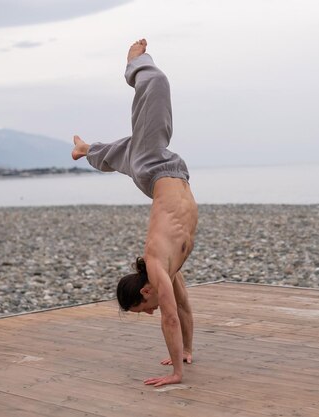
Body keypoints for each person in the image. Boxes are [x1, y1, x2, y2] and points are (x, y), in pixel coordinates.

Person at [71, 39, 198, 388]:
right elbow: (183, 309)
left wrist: (175, 374)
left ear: (144, 292)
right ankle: (87, 150)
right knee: (127, 153)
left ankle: (135, 64)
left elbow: (170, 318)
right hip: (159, 174)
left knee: (156, 86)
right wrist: (185, 351)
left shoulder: (157, 264)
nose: (154, 310)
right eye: (150, 314)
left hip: (157, 170)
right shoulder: (167, 270)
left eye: (147, 309)